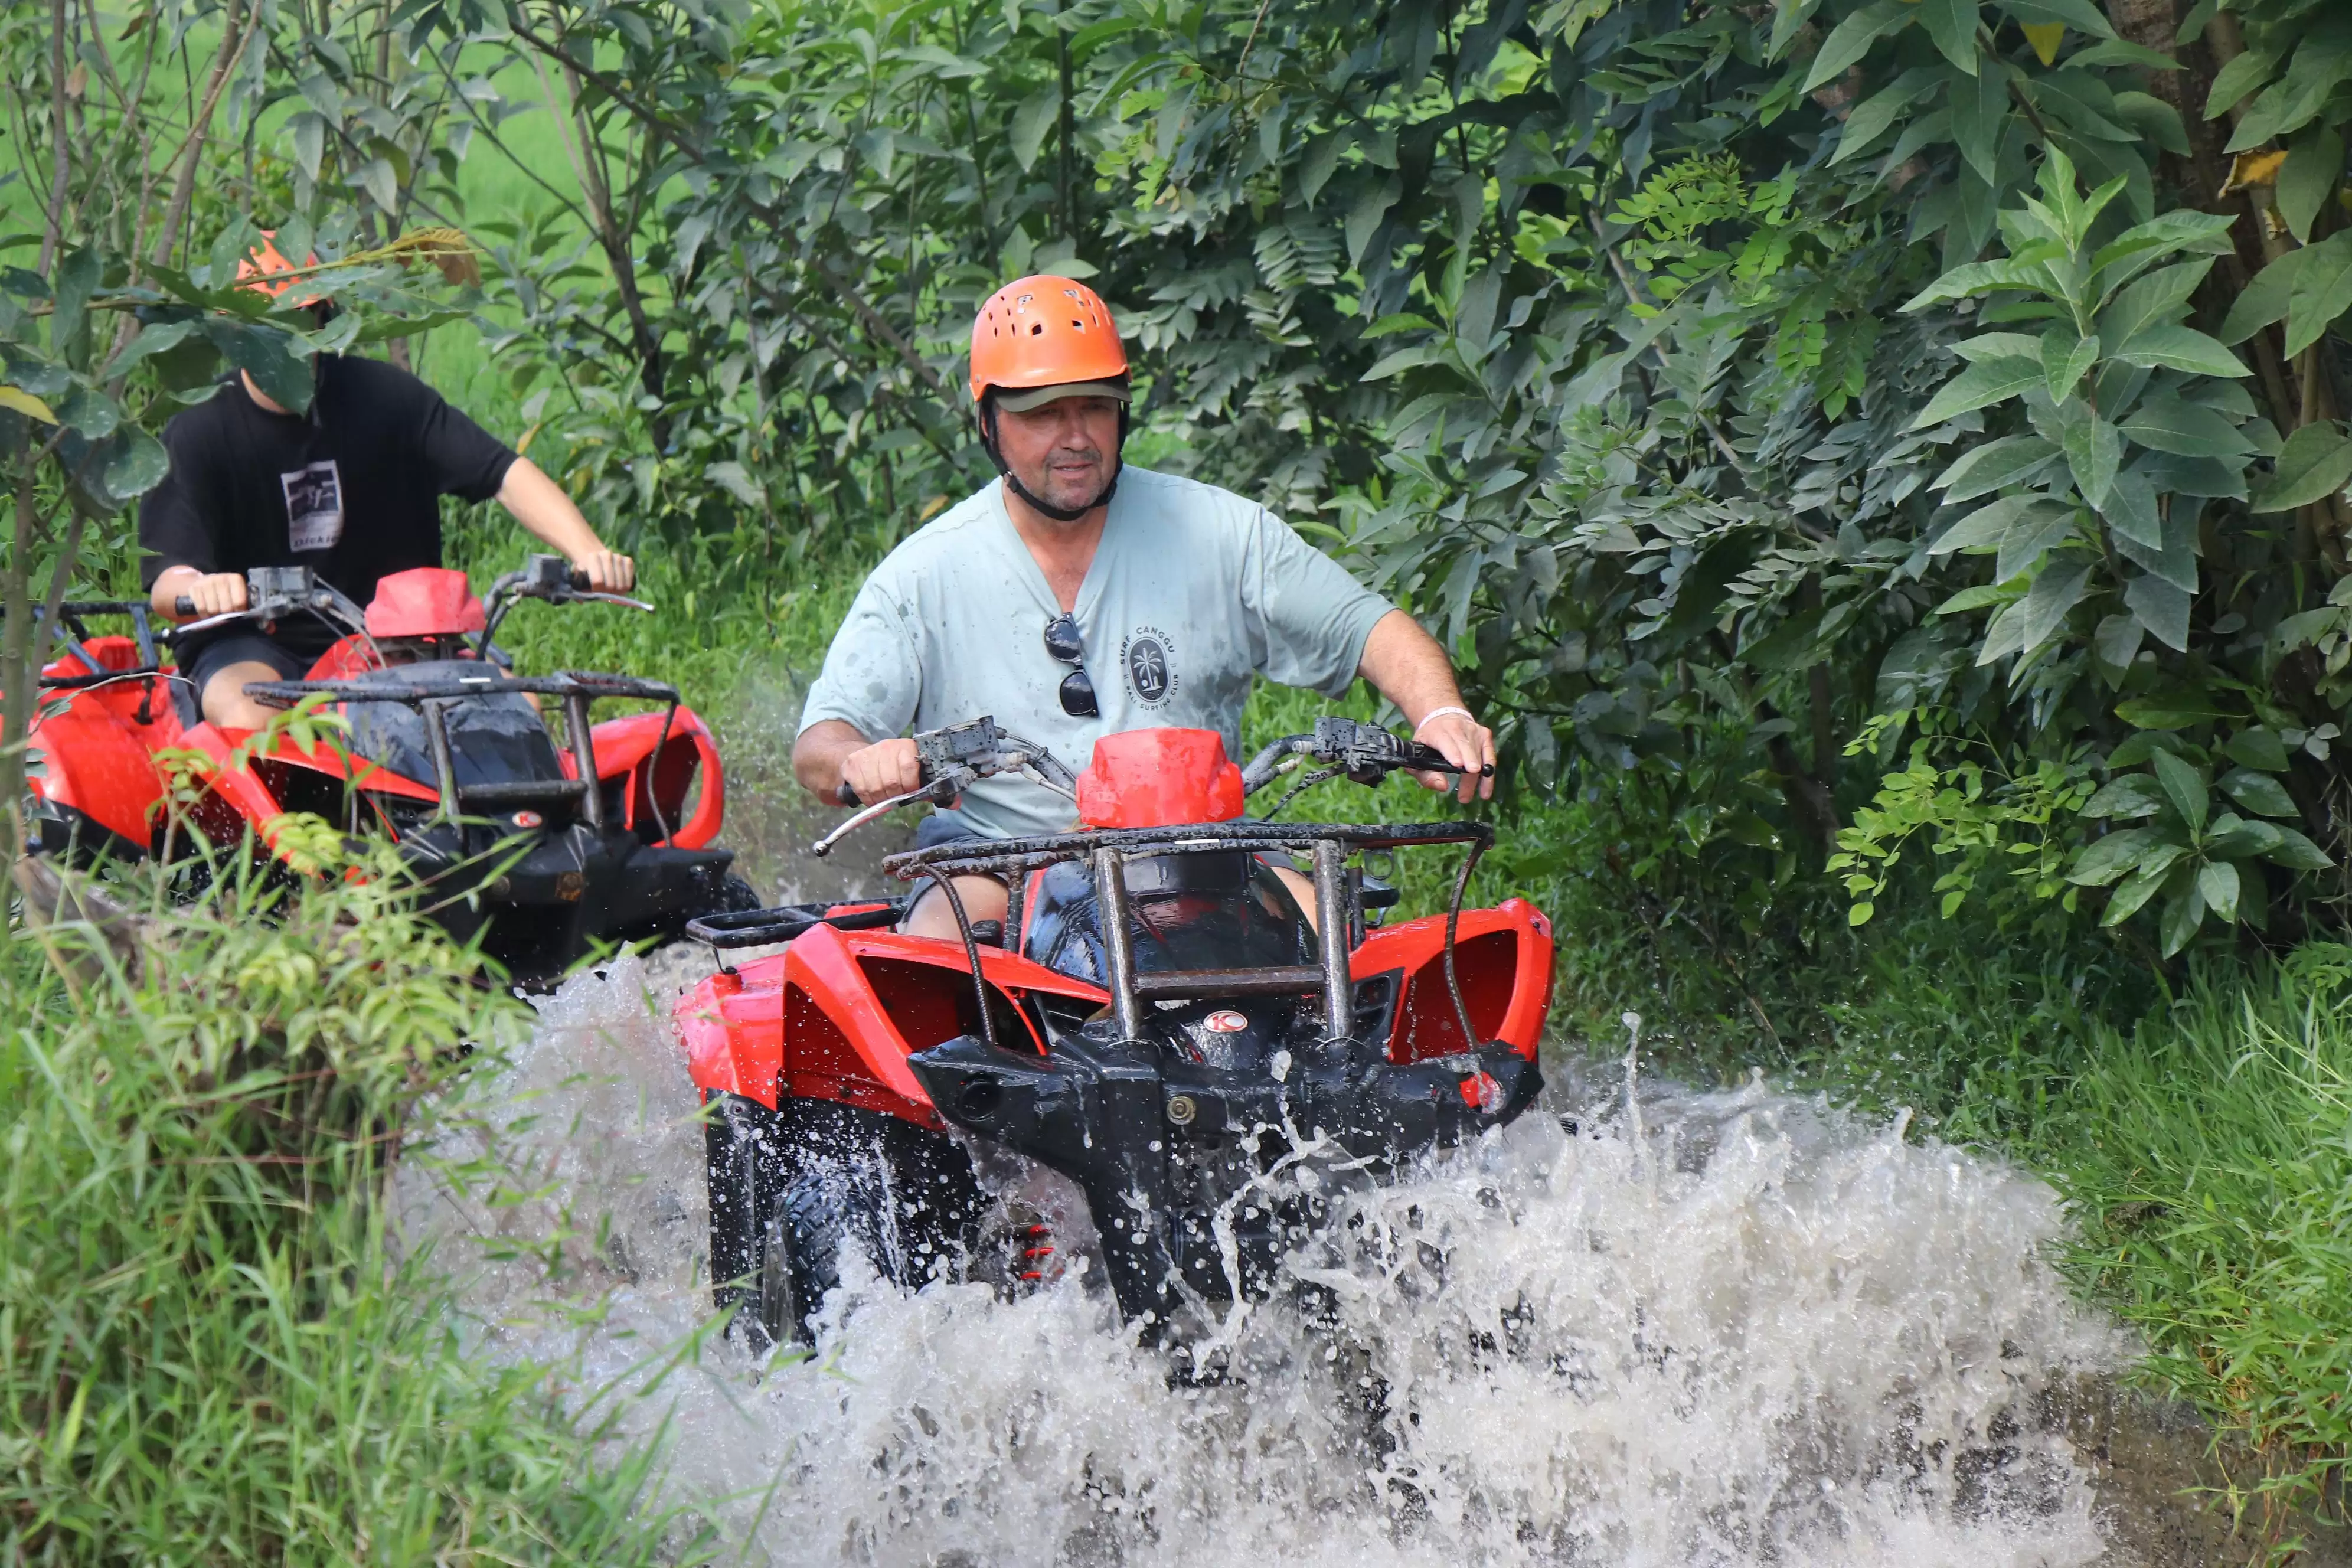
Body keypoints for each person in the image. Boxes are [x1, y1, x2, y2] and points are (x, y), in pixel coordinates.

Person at [793, 274, 1497, 939]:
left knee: (1344, 946)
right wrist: (862, 762)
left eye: (1094, 406)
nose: (1075, 437)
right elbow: (822, 745)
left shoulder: (1224, 533)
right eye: (1043, 414)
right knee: (945, 958)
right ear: (989, 421)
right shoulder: (922, 572)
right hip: (1001, 858)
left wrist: (1440, 713)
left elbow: (1366, 624)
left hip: (1203, 846)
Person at [139, 234, 635, 730]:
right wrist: (203, 588)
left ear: (322, 321)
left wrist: (587, 550)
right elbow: (168, 580)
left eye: (300, 321)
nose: (288, 341)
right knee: (251, 720)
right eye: (268, 325)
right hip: (252, 644)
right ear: (236, 335)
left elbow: (503, 472)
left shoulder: (386, 398)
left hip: (395, 637)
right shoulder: (198, 430)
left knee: (518, 714)